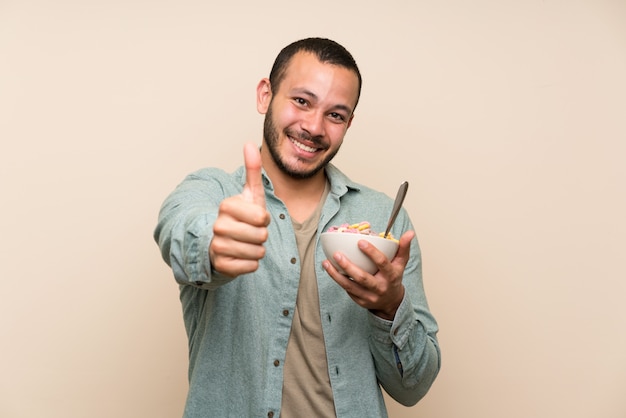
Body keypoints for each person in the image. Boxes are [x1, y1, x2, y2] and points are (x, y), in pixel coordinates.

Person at [154, 37, 440, 418]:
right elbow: (179, 229)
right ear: (265, 96)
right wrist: (215, 245)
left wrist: (389, 307)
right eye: (301, 101)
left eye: (335, 115)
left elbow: (414, 388)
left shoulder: (384, 220)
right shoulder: (212, 193)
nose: (314, 126)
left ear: (348, 123)